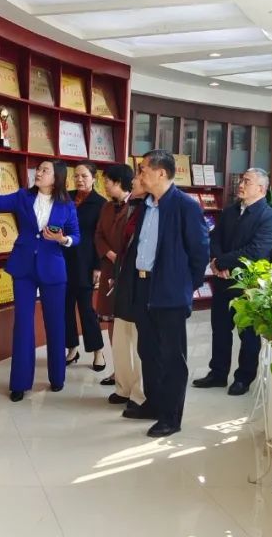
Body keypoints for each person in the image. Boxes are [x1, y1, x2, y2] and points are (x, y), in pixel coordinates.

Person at [0, 160, 80, 402]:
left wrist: (63, 240)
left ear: (57, 177)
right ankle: (19, 383)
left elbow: (76, 236)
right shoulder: (22, 196)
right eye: (38, 169)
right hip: (23, 267)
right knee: (23, 324)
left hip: (53, 269)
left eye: (45, 170)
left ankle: (57, 377)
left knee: (55, 324)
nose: (39, 173)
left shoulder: (67, 205)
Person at [124, 150, 209, 438]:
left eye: (143, 169)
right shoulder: (146, 205)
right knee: (148, 351)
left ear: (161, 173)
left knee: (172, 356)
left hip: (170, 291)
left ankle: (171, 417)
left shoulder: (186, 206)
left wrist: (185, 285)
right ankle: (154, 404)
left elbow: (200, 252)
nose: (139, 174)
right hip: (143, 287)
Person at [192, 168, 272, 396]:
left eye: (247, 181)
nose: (241, 184)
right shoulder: (230, 211)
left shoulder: (268, 216)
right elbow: (214, 239)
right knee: (220, 329)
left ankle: (244, 378)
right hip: (223, 281)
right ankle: (218, 373)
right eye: (241, 180)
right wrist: (216, 262)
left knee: (248, 334)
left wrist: (222, 262)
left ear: (261, 188)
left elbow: (256, 251)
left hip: (248, 285)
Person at [95, 164, 146, 406]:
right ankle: (120, 375)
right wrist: (110, 254)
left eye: (108, 181)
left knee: (132, 330)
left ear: (120, 182)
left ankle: (136, 385)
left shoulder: (139, 207)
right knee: (113, 322)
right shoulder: (107, 207)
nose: (104, 185)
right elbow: (98, 235)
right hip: (110, 269)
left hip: (130, 274)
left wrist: (122, 258)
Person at [64, 162, 108, 371]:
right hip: (63, 260)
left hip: (86, 263)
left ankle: (98, 351)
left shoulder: (101, 203)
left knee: (86, 309)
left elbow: (101, 237)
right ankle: (72, 348)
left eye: (84, 176)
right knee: (65, 308)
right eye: (76, 176)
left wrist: (98, 266)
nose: (79, 180)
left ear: (94, 178)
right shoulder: (65, 198)